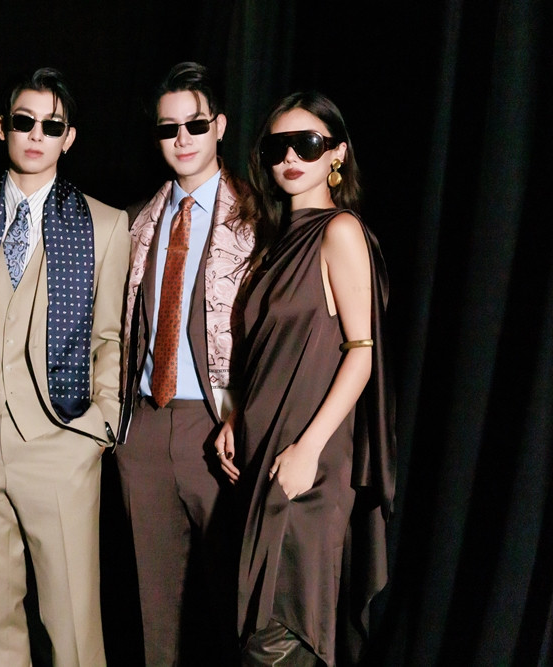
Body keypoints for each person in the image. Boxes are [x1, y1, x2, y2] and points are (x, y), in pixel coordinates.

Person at [0, 67, 130, 667]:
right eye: (25, 121)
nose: (37, 134)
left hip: (61, 445)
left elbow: (112, 338)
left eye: (52, 125)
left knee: (74, 631)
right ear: (3, 128)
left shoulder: (104, 224)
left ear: (69, 138)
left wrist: (97, 429)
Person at [216, 91, 394, 666]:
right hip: (264, 451)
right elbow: (266, 352)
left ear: (336, 153)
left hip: (308, 463)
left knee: (282, 629)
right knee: (257, 627)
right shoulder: (273, 243)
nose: (290, 157)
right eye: (277, 148)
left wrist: (308, 450)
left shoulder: (339, 231)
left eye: (307, 144)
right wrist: (235, 415)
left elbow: (362, 355)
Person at [116, 61, 256, 665]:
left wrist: (245, 417)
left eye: (195, 125)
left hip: (220, 428)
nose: (182, 139)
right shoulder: (134, 223)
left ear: (219, 126)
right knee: (153, 614)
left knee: (235, 603)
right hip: (144, 427)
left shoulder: (258, 218)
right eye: (168, 128)